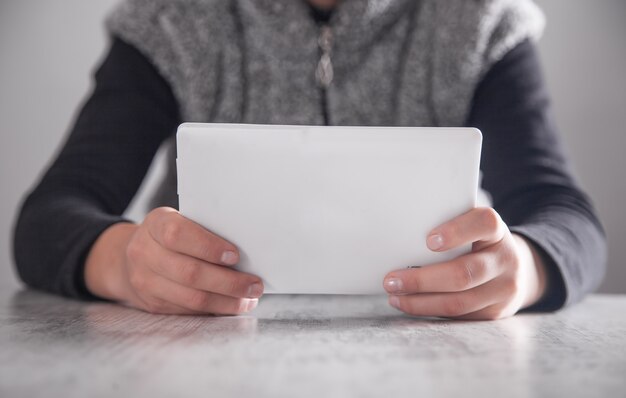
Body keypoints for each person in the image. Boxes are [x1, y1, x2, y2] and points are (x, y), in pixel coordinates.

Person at [13, 0, 606, 320]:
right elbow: (49, 218)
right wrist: (125, 263)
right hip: (202, 347)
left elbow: (566, 219)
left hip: (425, 346)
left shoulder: (482, 22)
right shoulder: (169, 21)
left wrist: (523, 270)